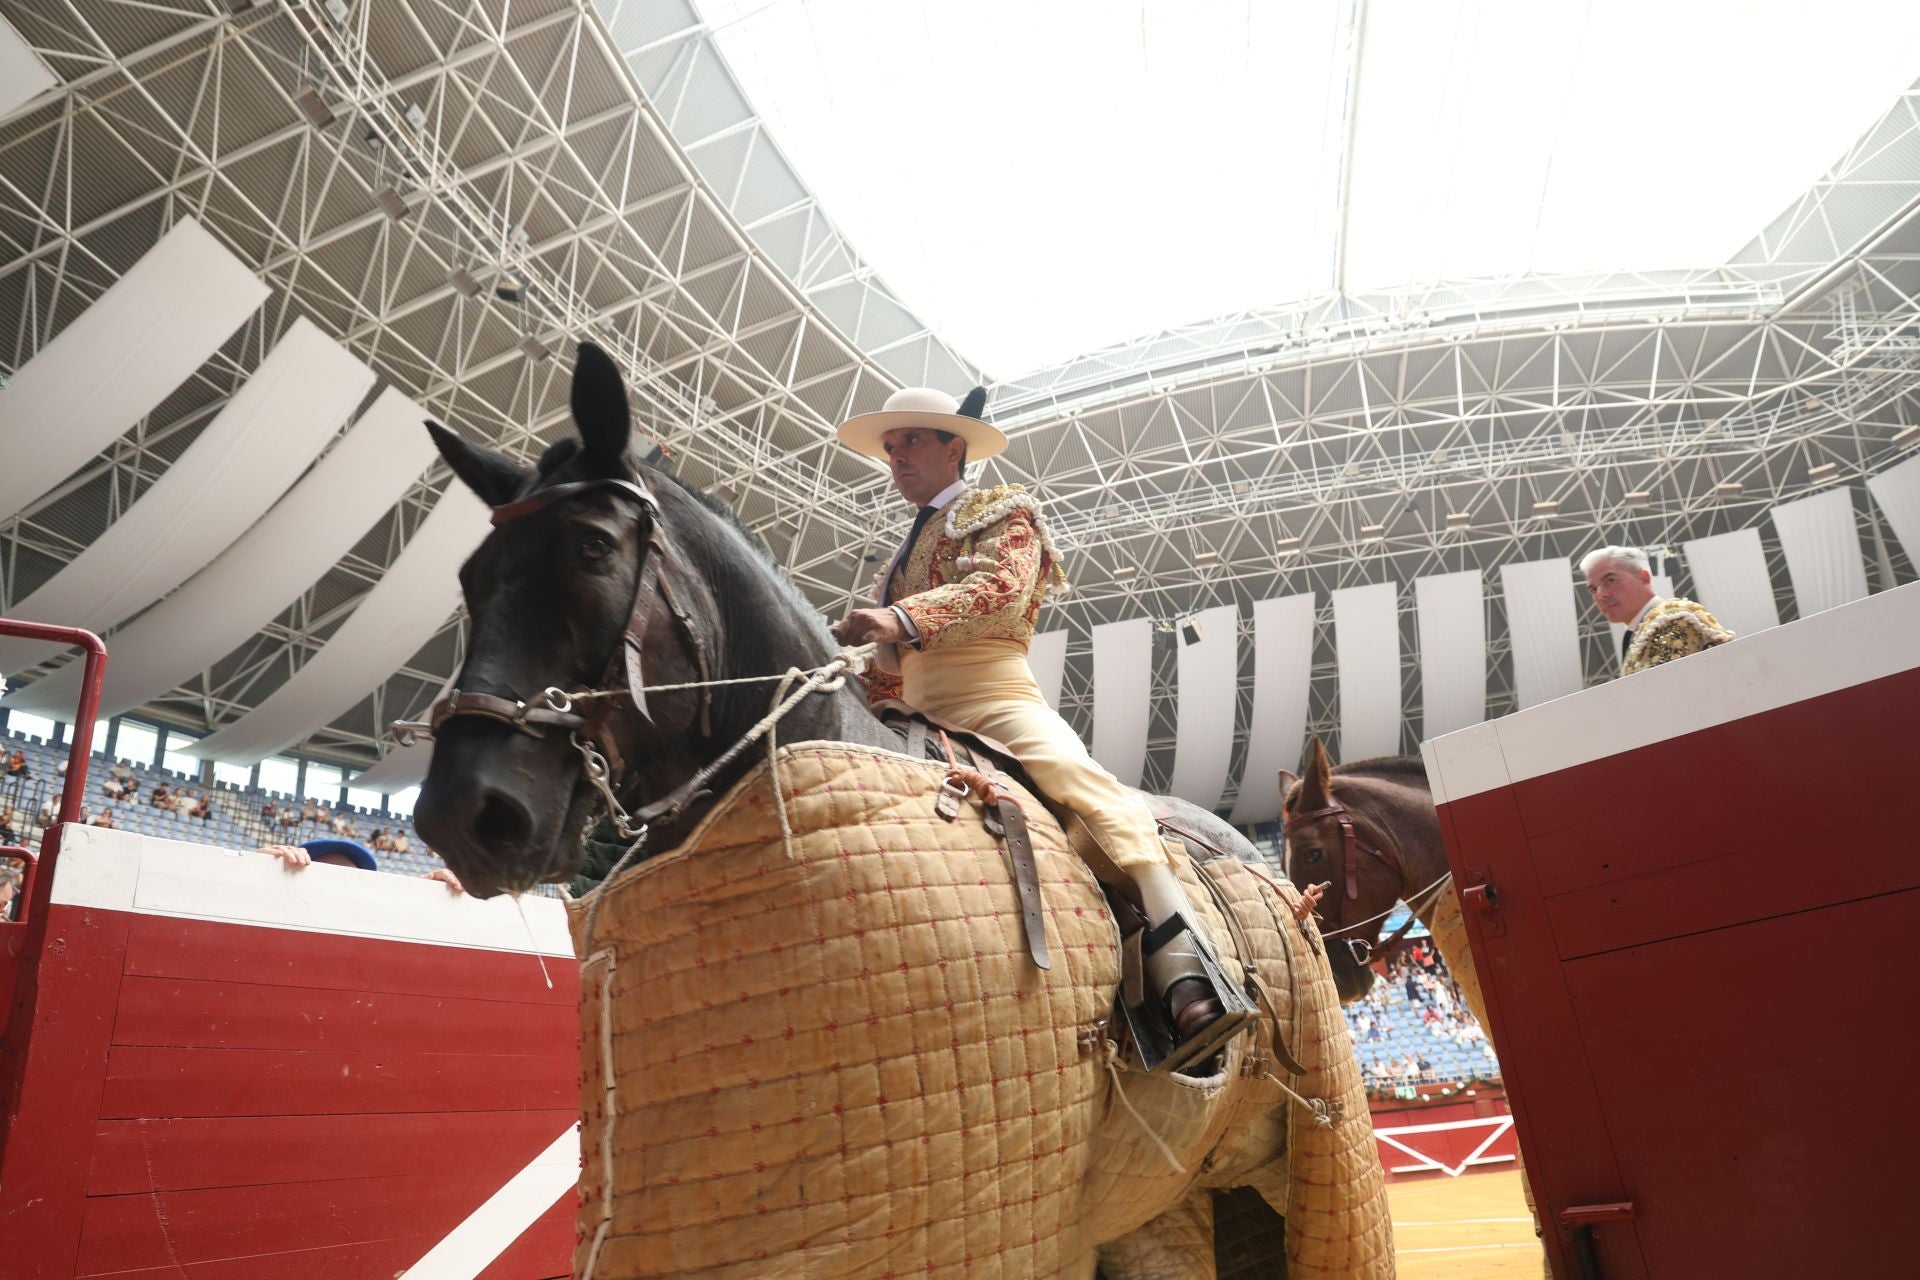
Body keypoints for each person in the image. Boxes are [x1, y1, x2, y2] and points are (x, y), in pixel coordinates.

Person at [828, 385, 1251, 1069]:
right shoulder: (891, 570)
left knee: (1079, 786)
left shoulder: (1003, 511)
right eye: (890, 445)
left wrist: (900, 619)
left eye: (911, 440)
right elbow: (887, 670)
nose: (896, 456)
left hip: (994, 699)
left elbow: (1000, 591)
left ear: (953, 447)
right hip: (913, 712)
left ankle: (1187, 970)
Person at [1580, 545, 1734, 676]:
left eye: (1610, 580)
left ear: (1644, 578)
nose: (1601, 595)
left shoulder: (1672, 619)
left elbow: (1671, 693)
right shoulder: (1640, 631)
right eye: (1593, 589)